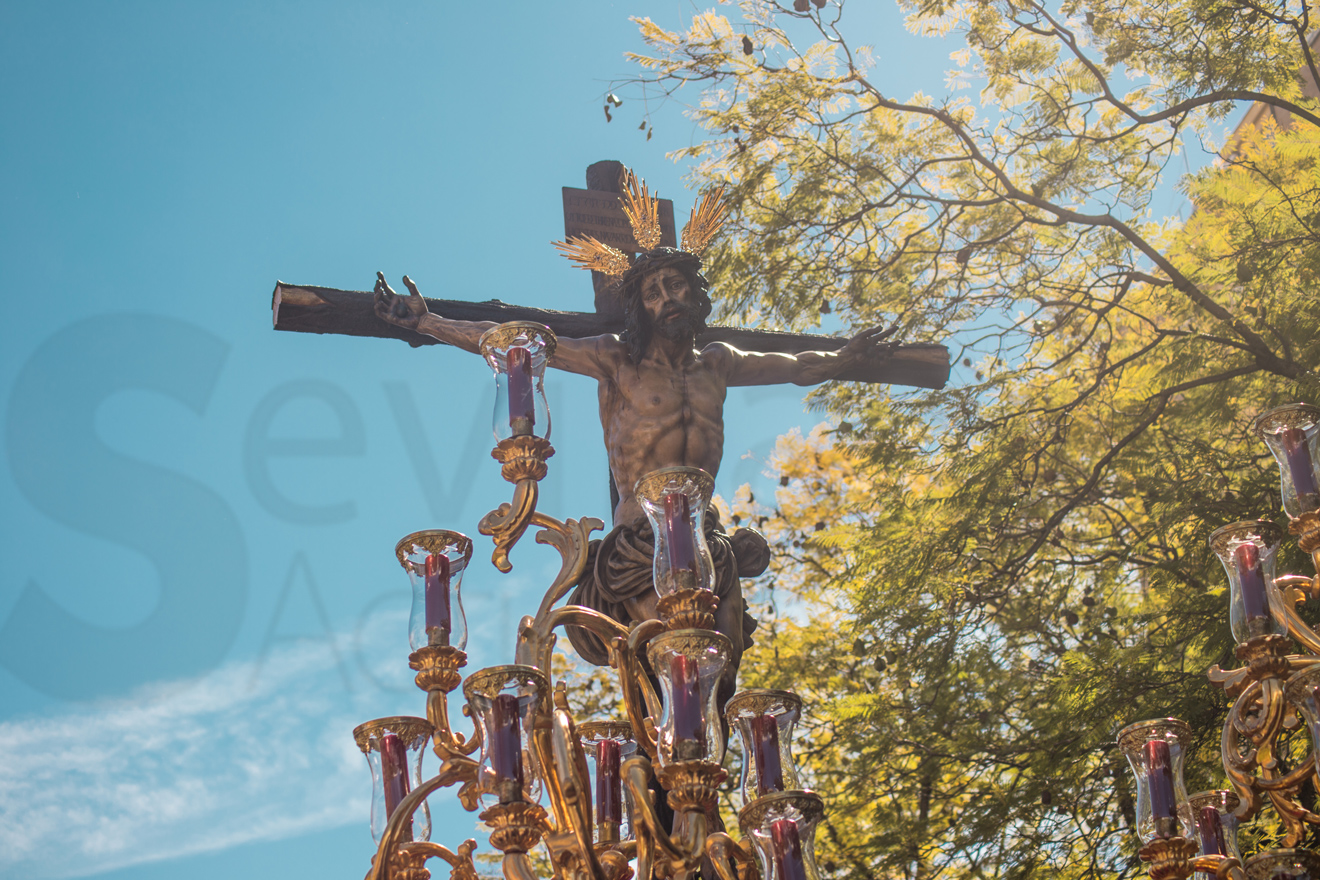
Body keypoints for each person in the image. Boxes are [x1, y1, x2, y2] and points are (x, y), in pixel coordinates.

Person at [372, 249, 894, 675]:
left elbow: (799, 367)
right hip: (643, 543)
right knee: (672, 674)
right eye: (653, 293)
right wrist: (429, 322)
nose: (667, 299)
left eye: (675, 286)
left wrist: (845, 358)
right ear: (640, 307)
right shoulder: (615, 359)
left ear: (695, 292)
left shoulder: (718, 363)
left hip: (707, 542)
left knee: (725, 674)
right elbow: (513, 342)